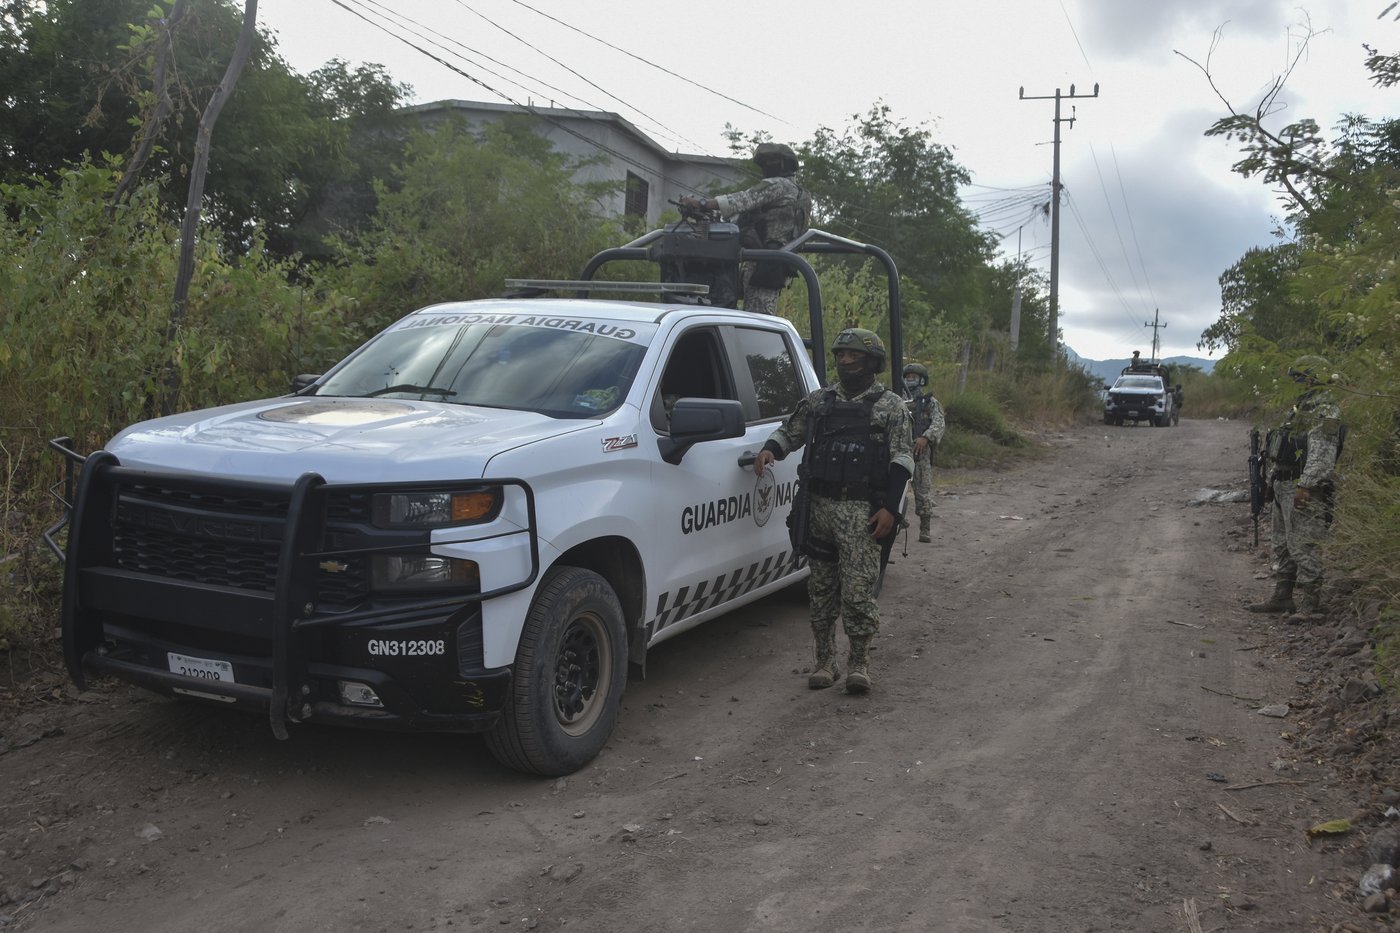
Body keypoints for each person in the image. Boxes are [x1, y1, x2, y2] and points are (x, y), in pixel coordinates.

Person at [754, 328, 914, 694]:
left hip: (863, 514)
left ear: (871, 362)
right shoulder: (819, 401)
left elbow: (902, 459)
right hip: (819, 509)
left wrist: (890, 508)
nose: (845, 362)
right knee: (821, 591)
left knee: (857, 594)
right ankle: (825, 661)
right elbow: (789, 432)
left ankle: (859, 662)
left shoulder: (890, 407)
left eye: (853, 357)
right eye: (841, 356)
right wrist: (769, 450)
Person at [1246, 355, 1346, 624]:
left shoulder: (1324, 410)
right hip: (1284, 483)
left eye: (1300, 379)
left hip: (1303, 487)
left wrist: (1306, 486)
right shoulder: (1300, 408)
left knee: (1303, 545)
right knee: (1282, 544)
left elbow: (1322, 456)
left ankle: (1311, 603)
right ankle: (1283, 595)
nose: (1296, 384)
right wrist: (1272, 480)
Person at [677, 143, 811, 314]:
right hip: (778, 262)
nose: (766, 166)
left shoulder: (778, 185)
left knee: (757, 320)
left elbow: (743, 199)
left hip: (763, 261)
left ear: (784, 164)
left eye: (771, 161)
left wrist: (703, 204)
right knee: (755, 315)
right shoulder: (803, 194)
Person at [900, 363, 946, 543]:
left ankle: (925, 527)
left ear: (921, 380)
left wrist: (926, 437)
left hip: (920, 452)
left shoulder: (929, 402)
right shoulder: (897, 399)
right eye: (908, 376)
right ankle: (898, 518)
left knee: (923, 490)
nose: (910, 380)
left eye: (914, 377)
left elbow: (938, 422)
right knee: (895, 488)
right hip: (899, 450)